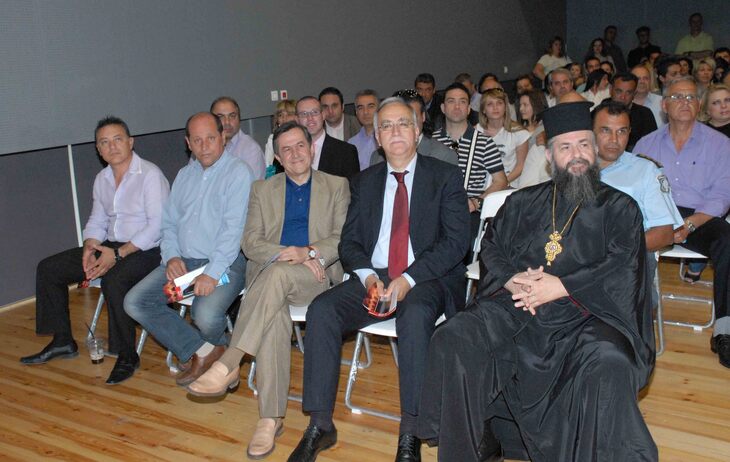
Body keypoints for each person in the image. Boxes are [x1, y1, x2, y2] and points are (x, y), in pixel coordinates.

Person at [418, 101, 658, 461]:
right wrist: (511, 279)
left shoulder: (620, 208)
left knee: (609, 360)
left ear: (594, 149)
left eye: (583, 144)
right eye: (565, 147)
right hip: (518, 303)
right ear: (549, 156)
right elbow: (491, 247)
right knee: (455, 335)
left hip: (587, 314)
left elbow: (622, 264)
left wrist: (561, 286)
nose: (576, 155)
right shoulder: (522, 202)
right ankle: (474, 444)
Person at [288, 97, 470, 462]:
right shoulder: (365, 182)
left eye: (403, 123)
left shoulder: (445, 176)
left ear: (417, 131)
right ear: (378, 138)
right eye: (386, 126)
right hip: (376, 274)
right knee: (322, 310)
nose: (395, 131)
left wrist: (408, 279)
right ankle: (320, 424)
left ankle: (411, 431)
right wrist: (369, 277)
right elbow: (349, 242)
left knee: (414, 316)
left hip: (427, 276)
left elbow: (456, 243)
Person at [186, 121, 350, 459]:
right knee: (273, 313)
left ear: (311, 148)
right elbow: (250, 242)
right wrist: (288, 254)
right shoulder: (263, 189)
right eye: (286, 149)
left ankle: (229, 362)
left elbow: (342, 237)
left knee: (274, 280)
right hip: (273, 277)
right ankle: (269, 418)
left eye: (300, 145)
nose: (295, 153)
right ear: (277, 157)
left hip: (317, 276)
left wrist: (309, 252)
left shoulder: (337, 185)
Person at [20, 116, 170, 385]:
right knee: (49, 268)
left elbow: (157, 226)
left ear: (131, 142)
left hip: (148, 250)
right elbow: (98, 220)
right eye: (104, 142)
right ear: (98, 150)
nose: (112, 147)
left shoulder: (150, 175)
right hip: (111, 246)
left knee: (115, 279)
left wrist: (119, 254)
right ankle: (62, 340)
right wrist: (89, 247)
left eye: (117, 139)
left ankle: (127, 355)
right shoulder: (102, 179)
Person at [124, 112, 253, 385]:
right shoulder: (184, 175)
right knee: (135, 302)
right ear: (188, 143)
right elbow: (169, 224)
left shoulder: (238, 172)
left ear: (223, 137)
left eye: (210, 138)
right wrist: (171, 256)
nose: (204, 146)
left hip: (227, 262)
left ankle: (214, 360)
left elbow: (233, 231)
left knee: (204, 314)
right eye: (197, 140)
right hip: (184, 261)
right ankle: (207, 352)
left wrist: (212, 273)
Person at [634, 76, 730, 368]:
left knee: (728, 241)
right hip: (656, 213)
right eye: (677, 97)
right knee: (625, 238)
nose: (685, 102)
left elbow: (723, 194)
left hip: (699, 215)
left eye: (691, 97)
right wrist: (661, 222)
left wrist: (689, 223)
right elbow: (634, 190)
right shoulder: (646, 143)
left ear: (699, 105)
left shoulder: (720, 144)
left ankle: (725, 331)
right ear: (664, 105)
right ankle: (634, 323)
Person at [594, 100, 683, 308]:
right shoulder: (574, 168)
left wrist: (613, 250)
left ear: (629, 133)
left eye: (622, 131)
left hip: (627, 257)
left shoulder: (646, 171)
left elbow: (664, 234)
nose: (614, 139)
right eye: (605, 130)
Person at [432, 83, 507, 246]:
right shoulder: (432, 141)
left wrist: (476, 202)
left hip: (468, 213)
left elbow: (501, 181)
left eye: (462, 101)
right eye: (451, 101)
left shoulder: (484, 142)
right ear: (443, 108)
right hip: (436, 212)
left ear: (468, 109)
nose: (457, 106)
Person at [370, 89, 458, 167]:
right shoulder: (377, 157)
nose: (397, 130)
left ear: (423, 116)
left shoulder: (443, 156)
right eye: (388, 125)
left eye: (404, 121)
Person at [295, 96, 360, 179]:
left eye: (315, 112)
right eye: (304, 114)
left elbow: (352, 185)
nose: (310, 118)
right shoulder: (289, 152)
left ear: (323, 115)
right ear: (297, 119)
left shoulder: (346, 151)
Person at [477, 88, 530, 186]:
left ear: (505, 107)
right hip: (481, 185)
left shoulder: (519, 132)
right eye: (490, 104)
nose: (495, 107)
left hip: (509, 184)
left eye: (499, 103)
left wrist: (500, 184)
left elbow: (521, 166)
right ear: (483, 109)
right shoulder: (475, 131)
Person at [209, 96, 266, 180]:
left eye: (232, 116)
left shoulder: (251, 150)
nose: (227, 122)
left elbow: (250, 186)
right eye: (221, 117)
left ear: (239, 119)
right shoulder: (204, 148)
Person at [607, 72, 658, 150]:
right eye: (619, 91)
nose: (623, 97)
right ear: (610, 90)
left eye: (628, 93)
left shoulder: (645, 115)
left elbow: (652, 146)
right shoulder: (598, 114)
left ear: (634, 94)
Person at [513, 89, 550, 188]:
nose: (521, 109)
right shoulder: (516, 129)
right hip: (518, 176)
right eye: (520, 105)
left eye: (525, 105)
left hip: (538, 177)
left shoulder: (546, 128)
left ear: (536, 105)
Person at [347, 89, 379, 170]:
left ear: (379, 109)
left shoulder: (388, 138)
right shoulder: (351, 144)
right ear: (356, 112)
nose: (366, 112)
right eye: (360, 108)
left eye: (370, 106)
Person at [264, 99, 298, 174]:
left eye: (289, 114)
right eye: (280, 115)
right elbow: (267, 165)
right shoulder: (272, 139)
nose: (284, 118)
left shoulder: (304, 137)